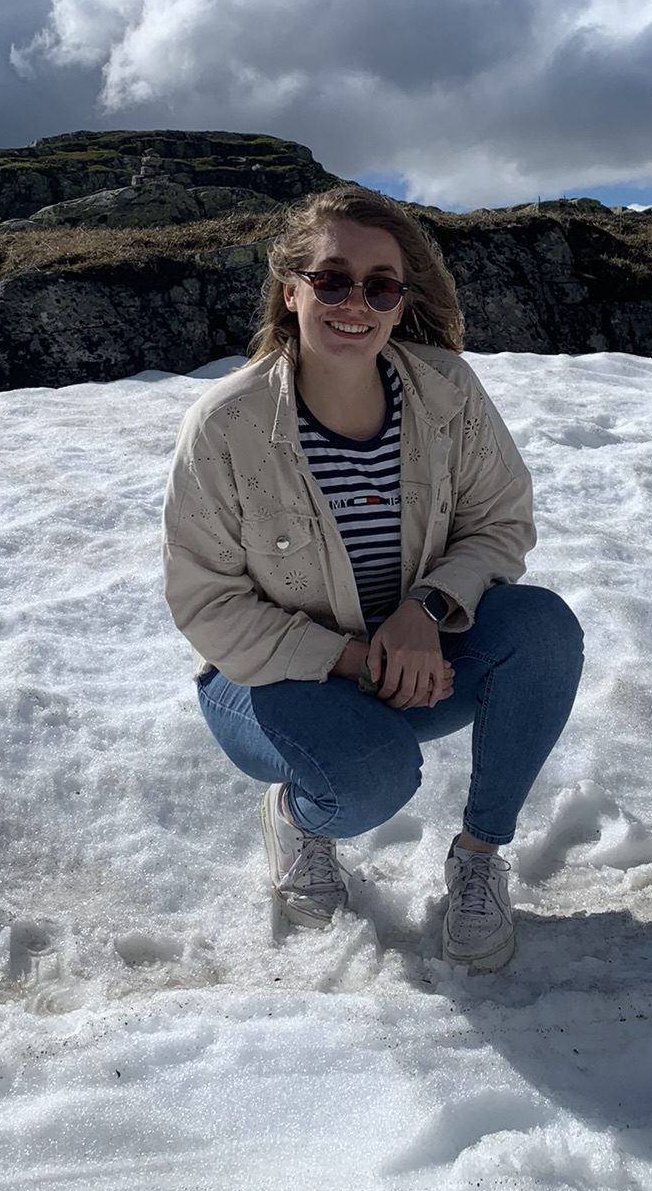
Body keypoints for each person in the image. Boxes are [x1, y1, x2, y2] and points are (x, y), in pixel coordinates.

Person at [161, 184, 583, 972]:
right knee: (369, 781)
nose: (356, 302)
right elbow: (206, 604)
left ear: (399, 302)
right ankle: (299, 816)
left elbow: (501, 524)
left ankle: (479, 858)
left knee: (542, 629)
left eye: (380, 285)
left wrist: (425, 610)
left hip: (412, 663)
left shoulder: (446, 392)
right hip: (262, 683)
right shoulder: (225, 425)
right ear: (291, 291)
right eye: (332, 279)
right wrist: (360, 657)